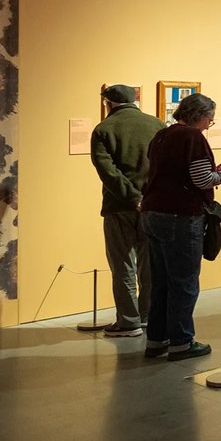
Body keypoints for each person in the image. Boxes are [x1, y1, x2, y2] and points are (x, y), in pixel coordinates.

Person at [140, 92, 221, 362]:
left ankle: (157, 340)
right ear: (200, 116)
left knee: (161, 282)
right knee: (184, 282)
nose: (209, 125)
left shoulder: (162, 135)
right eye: (209, 119)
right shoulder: (192, 138)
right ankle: (181, 341)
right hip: (180, 216)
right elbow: (201, 178)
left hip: (153, 212)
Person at [90, 84, 165, 337]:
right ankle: (147, 315)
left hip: (118, 206)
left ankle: (128, 320)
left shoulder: (103, 129)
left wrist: (132, 197)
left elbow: (108, 172)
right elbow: (163, 166)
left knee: (122, 264)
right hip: (153, 204)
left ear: (107, 103)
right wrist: (148, 197)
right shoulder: (156, 125)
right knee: (149, 264)